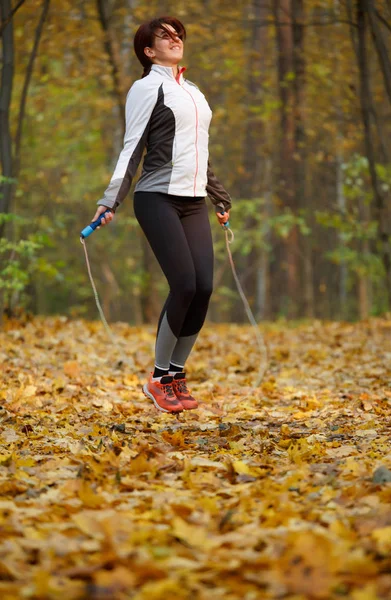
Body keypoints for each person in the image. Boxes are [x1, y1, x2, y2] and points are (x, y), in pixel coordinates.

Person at [91, 16, 232, 414]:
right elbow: (132, 147)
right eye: (165, 36)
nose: (175, 40)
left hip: (192, 201)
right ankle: (158, 379)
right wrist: (110, 199)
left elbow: (198, 153)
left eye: (178, 35)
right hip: (156, 197)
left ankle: (175, 375)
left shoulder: (192, 91)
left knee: (203, 287)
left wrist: (219, 197)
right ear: (149, 51)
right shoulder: (145, 88)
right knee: (184, 283)